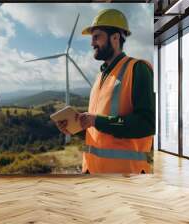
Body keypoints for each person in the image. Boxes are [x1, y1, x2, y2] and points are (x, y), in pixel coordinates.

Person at [56, 9, 155, 174]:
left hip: (125, 176)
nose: (92, 43)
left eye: (97, 36)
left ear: (115, 38)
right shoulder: (99, 77)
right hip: (92, 171)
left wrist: (96, 121)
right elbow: (100, 130)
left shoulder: (137, 69)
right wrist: (77, 128)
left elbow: (146, 124)